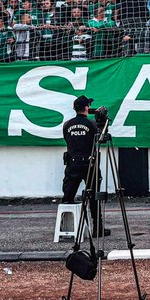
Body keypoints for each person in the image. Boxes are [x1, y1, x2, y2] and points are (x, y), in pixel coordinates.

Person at [61, 95, 101, 233]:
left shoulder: (67, 124)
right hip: (89, 164)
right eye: (88, 106)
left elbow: (67, 139)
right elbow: (100, 137)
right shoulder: (92, 124)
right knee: (94, 196)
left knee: (68, 196)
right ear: (86, 108)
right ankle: (97, 228)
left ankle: (65, 227)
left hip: (72, 164)